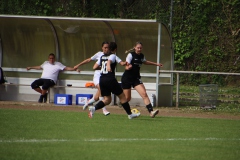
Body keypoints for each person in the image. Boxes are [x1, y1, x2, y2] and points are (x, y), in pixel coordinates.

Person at [89, 42, 140, 119]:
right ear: (115, 49)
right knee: (122, 97)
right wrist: (109, 67)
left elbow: (94, 67)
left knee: (107, 100)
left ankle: (94, 108)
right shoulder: (113, 56)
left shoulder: (102, 56)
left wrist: (125, 63)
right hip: (110, 79)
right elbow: (111, 62)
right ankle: (130, 114)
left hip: (102, 79)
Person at [74, 42, 125, 116]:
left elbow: (119, 62)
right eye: (105, 47)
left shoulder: (111, 56)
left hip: (105, 78)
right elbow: (91, 63)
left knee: (97, 97)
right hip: (98, 77)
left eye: (108, 47)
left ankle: (88, 103)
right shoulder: (100, 55)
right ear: (102, 48)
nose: (106, 49)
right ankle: (104, 110)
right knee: (102, 91)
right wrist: (78, 65)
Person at [121, 42, 163, 118]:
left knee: (144, 93)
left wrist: (156, 64)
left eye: (140, 48)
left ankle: (151, 112)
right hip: (127, 78)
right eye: (138, 48)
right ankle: (126, 109)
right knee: (127, 98)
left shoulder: (141, 56)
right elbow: (126, 66)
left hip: (136, 78)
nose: (139, 49)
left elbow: (145, 62)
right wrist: (128, 67)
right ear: (135, 48)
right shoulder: (131, 55)